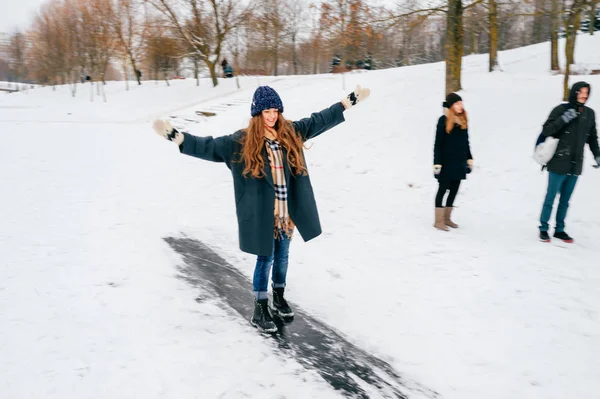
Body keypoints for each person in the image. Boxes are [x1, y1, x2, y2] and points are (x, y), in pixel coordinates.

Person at [153, 84, 370, 332]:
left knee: (283, 257)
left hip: (286, 214)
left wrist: (348, 101)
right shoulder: (242, 141)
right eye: (267, 111)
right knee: (265, 258)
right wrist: (177, 137)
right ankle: (260, 305)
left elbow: (318, 120)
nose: (271, 116)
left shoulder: (290, 132)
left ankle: (278, 296)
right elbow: (211, 146)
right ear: (258, 113)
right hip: (263, 214)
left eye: (275, 110)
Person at [537, 81, 600, 243]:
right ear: (575, 92)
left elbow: (593, 138)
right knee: (550, 198)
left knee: (565, 200)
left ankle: (559, 229)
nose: (584, 95)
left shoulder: (589, 114)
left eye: (587, 92)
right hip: (558, 162)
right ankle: (544, 228)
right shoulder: (561, 109)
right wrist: (564, 119)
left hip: (575, 164)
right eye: (581, 92)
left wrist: (597, 155)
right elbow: (547, 130)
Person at [433, 93, 474, 231]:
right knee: (443, 189)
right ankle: (438, 221)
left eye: (461, 104)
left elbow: (466, 143)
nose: (460, 106)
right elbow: (438, 144)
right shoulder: (443, 121)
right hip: (446, 162)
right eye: (457, 104)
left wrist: (469, 158)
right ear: (451, 106)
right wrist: (437, 163)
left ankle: (447, 218)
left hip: (459, 162)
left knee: (455, 190)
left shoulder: (463, 121)